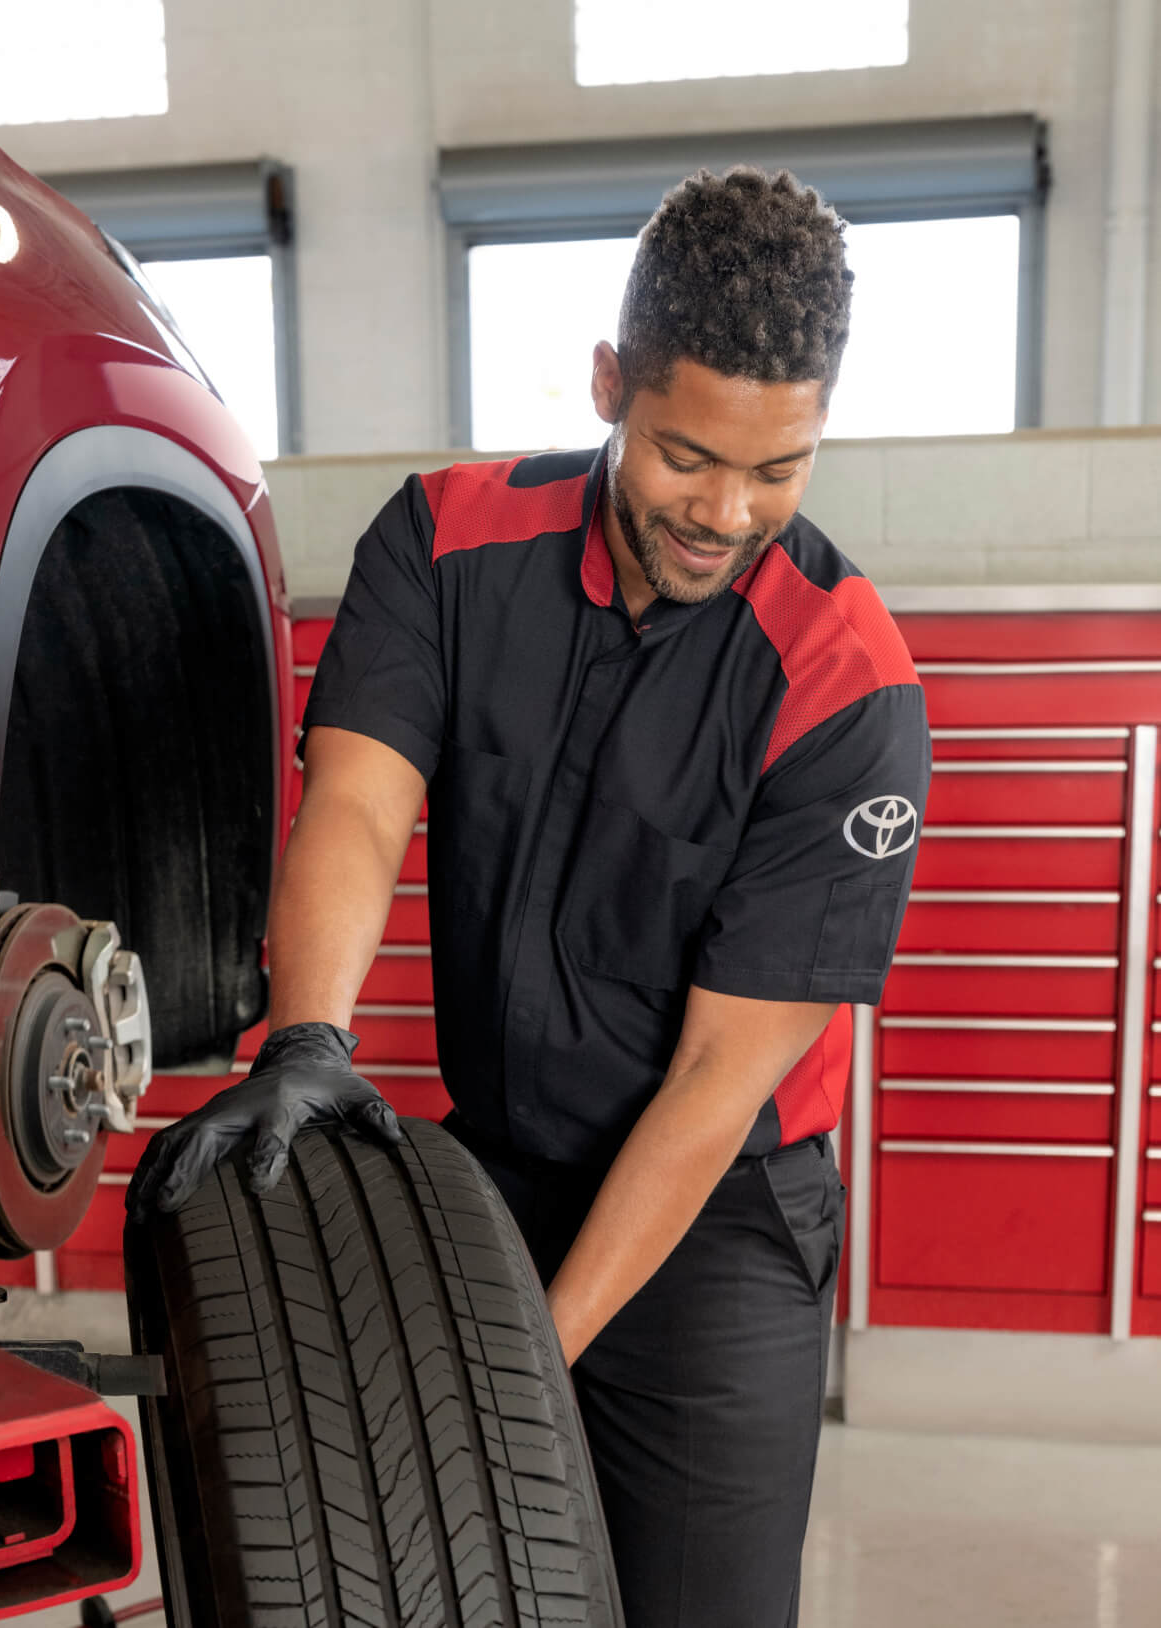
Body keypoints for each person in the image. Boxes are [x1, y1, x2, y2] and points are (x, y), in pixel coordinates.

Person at [128, 165, 931, 1626]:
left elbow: (711, 1084)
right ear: (611, 381)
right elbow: (361, 806)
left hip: (719, 1222)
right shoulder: (442, 545)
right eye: (689, 454)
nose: (729, 511)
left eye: (782, 467)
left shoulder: (845, 680)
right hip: (490, 1174)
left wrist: (515, 1366)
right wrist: (307, 1039)